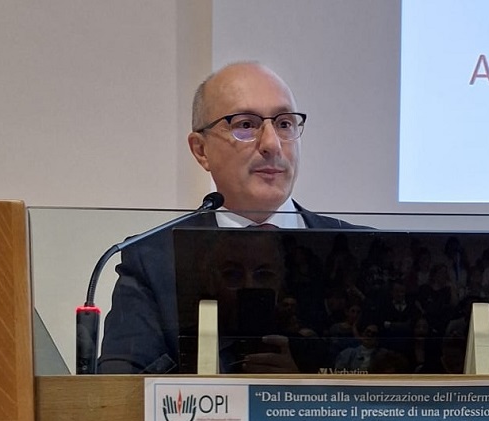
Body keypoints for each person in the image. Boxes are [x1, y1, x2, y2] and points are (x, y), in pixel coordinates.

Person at [98, 62, 357, 374]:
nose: (272, 144)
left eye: (284, 124)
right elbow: (120, 384)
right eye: (246, 125)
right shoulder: (153, 260)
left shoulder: (356, 254)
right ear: (201, 150)